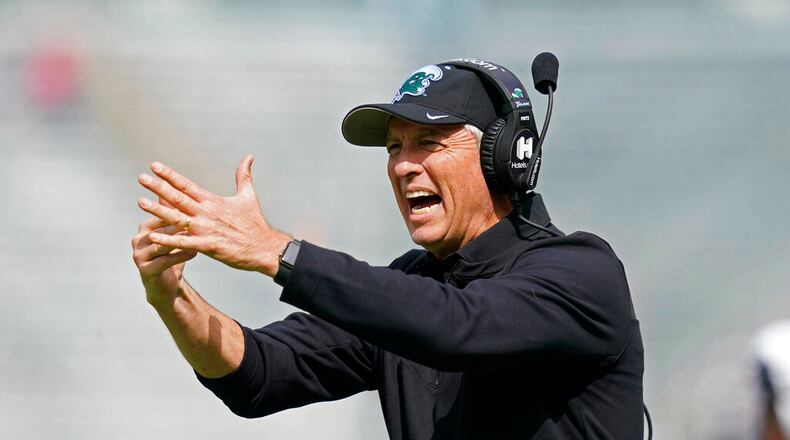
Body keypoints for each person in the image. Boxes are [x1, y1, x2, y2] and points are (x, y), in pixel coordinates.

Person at [131, 60, 645, 439]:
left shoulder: (582, 273)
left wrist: (278, 252)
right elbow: (260, 375)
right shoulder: (413, 289)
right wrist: (172, 298)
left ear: (504, 157)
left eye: (429, 142)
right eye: (395, 147)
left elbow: (458, 326)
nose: (403, 165)